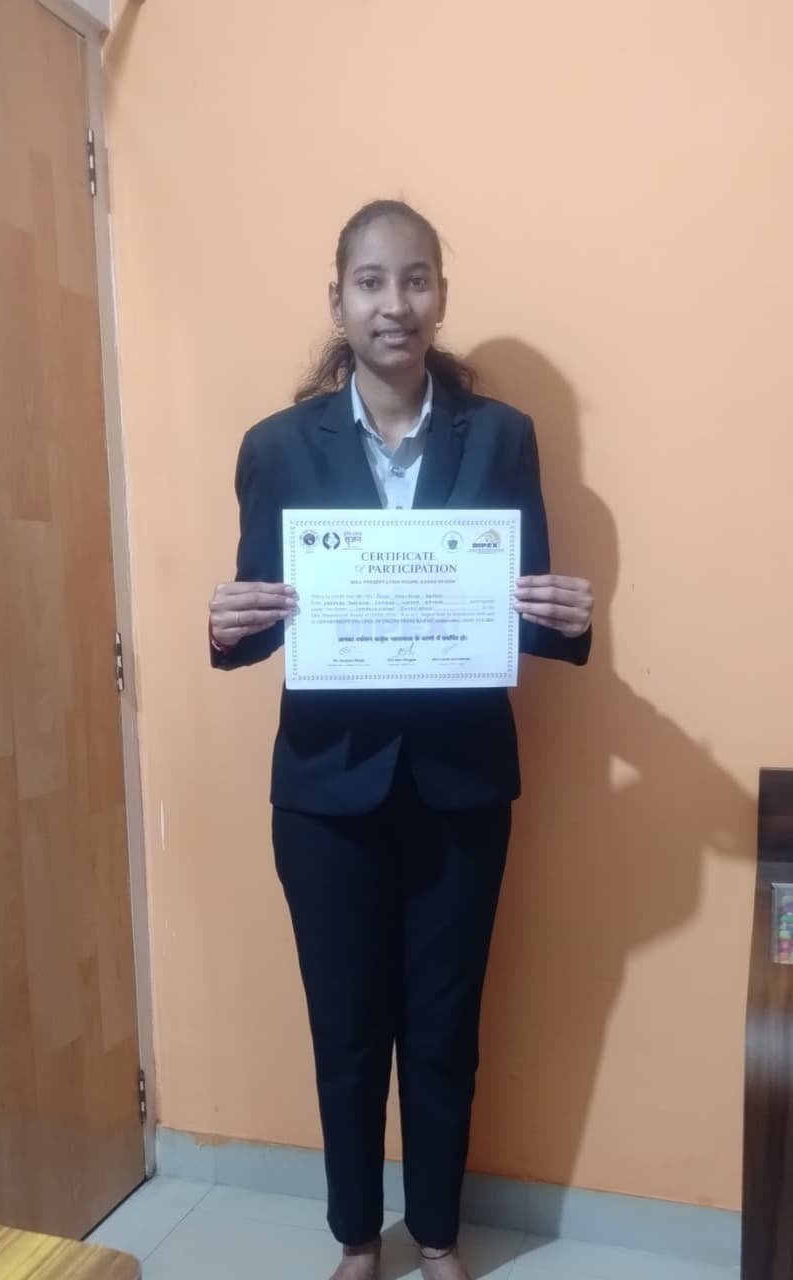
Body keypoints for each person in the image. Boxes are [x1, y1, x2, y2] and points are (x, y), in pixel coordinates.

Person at [208, 200, 594, 1280]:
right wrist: (226, 626)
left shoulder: (501, 435)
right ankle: (353, 1238)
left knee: (442, 1026)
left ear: (440, 296)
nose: (395, 303)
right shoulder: (277, 447)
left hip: (460, 786)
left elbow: (516, 611)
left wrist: (567, 619)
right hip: (324, 794)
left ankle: (435, 1237)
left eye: (415, 279)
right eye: (371, 281)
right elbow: (263, 619)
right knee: (344, 1031)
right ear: (337, 300)